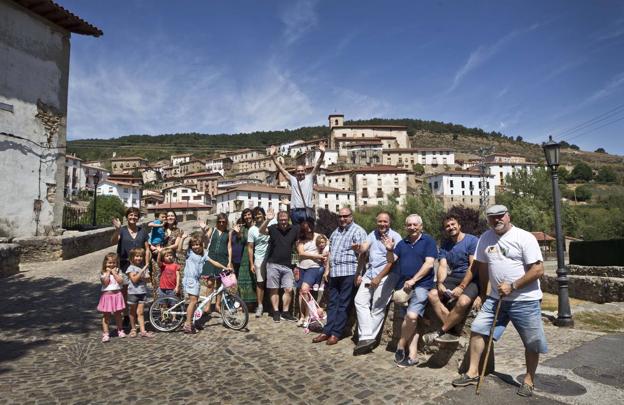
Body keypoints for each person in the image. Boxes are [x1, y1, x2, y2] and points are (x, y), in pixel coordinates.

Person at [451, 205, 547, 398]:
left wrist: (513, 285)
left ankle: (528, 380)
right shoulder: (485, 238)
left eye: (500, 216)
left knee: (532, 342)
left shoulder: (524, 237)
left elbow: (538, 270)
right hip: (496, 299)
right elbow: (483, 268)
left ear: (508, 216)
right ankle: (472, 372)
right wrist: (484, 294)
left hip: (525, 300)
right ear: (488, 220)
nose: (496, 220)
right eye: (492, 217)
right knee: (478, 329)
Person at [312, 207, 366, 346]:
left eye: (345, 216)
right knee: (332, 303)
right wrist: (327, 270)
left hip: (349, 272)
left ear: (351, 216)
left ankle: (336, 333)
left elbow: (362, 254)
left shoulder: (358, 231)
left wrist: (359, 274)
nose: (342, 219)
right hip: (335, 273)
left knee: (343, 304)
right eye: (340, 216)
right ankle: (326, 331)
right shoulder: (335, 233)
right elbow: (331, 253)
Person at [423, 215, 481, 344]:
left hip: (471, 278)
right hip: (454, 277)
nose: (450, 227)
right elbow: (443, 265)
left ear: (459, 225)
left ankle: (442, 331)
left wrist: (461, 287)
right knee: (432, 294)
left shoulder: (472, 241)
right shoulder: (445, 244)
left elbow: (473, 266)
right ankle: (452, 329)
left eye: (453, 224)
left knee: (463, 302)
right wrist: (440, 284)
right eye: (447, 226)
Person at [353, 211, 401, 356]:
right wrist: (359, 248)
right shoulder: (372, 234)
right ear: (376, 222)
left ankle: (365, 340)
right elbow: (364, 248)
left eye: (385, 221)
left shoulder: (395, 237)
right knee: (359, 301)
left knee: (378, 307)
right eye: (380, 221)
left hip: (386, 276)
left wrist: (379, 277)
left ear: (389, 222)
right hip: (370, 274)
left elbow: (392, 262)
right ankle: (367, 337)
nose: (382, 224)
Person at [392, 214, 438, 367]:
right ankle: (413, 356)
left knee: (411, 317)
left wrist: (414, 280)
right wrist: (388, 250)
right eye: (409, 225)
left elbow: (429, 264)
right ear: (405, 227)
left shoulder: (428, 241)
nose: (412, 227)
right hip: (403, 287)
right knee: (411, 321)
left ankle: (400, 344)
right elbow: (391, 260)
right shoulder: (402, 243)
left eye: (415, 225)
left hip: (421, 285)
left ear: (421, 226)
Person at [270, 140, 325, 225]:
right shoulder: (292, 179)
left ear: (305, 171)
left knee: (308, 234)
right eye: (298, 171)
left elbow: (318, 164)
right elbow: (280, 168)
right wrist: (273, 156)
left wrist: (322, 153)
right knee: (297, 233)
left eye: (302, 171)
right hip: (295, 211)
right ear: (295, 172)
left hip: (307, 210)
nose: (300, 172)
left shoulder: (309, 178)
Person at [259, 208, 300, 323]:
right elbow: (261, 231)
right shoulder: (272, 228)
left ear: (288, 220)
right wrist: (267, 220)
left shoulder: (294, 229)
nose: (283, 222)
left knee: (288, 289)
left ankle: (286, 312)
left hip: (288, 265)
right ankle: (276, 311)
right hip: (273, 264)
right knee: (274, 289)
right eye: (281, 220)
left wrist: (297, 263)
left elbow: (297, 245)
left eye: (285, 219)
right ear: (278, 220)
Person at [295, 221, 327, 326]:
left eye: (309, 229)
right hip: (301, 267)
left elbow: (327, 245)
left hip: (313, 267)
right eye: (306, 230)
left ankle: (308, 316)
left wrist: (323, 256)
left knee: (305, 289)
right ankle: (302, 316)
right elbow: (301, 253)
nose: (308, 232)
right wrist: (317, 256)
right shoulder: (301, 240)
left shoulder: (318, 236)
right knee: (301, 292)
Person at [199, 213, 232, 313]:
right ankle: (207, 305)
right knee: (210, 283)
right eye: (220, 221)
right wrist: (203, 230)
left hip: (223, 258)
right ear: (217, 221)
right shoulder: (212, 230)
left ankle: (218, 305)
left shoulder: (228, 232)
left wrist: (229, 262)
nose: (221, 223)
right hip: (211, 257)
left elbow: (229, 247)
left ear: (226, 222)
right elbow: (205, 240)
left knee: (220, 283)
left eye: (223, 221)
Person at [247, 207, 276, 317]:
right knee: (260, 283)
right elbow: (250, 247)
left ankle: (273, 307)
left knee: (273, 283)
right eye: (256, 215)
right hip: (259, 259)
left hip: (272, 257)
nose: (257, 216)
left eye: (259, 214)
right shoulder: (252, 230)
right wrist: (251, 263)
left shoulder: (272, 223)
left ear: (264, 215)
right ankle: (260, 306)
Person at [182, 232, 212, 334]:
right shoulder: (190, 253)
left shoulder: (203, 254)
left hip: (196, 280)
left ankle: (192, 321)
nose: (195, 247)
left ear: (201, 245)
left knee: (195, 302)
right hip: (190, 280)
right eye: (193, 245)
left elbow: (213, 261)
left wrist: (225, 267)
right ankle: (187, 324)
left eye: (198, 244)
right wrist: (183, 238)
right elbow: (180, 249)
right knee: (193, 301)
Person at [125, 248, 154, 338]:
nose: (139, 258)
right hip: (132, 293)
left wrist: (144, 274)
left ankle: (143, 331)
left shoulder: (143, 268)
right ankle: (133, 329)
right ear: (133, 257)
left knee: (140, 312)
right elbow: (134, 279)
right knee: (132, 312)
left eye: (141, 256)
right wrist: (143, 271)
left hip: (142, 292)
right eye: (137, 256)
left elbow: (148, 279)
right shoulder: (130, 268)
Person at [97, 252, 126, 342]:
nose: (111, 264)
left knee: (118, 314)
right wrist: (108, 273)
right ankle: (106, 333)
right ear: (105, 263)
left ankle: (120, 330)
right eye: (109, 262)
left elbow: (121, 281)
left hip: (117, 295)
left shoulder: (118, 271)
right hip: (107, 296)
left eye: (113, 263)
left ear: (116, 263)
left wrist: (115, 273)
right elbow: (105, 283)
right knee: (106, 316)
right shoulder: (103, 272)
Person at [233, 209, 256, 304]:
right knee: (243, 279)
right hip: (245, 255)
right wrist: (238, 233)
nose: (247, 217)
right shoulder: (243, 228)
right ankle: (244, 303)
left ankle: (255, 302)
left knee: (255, 279)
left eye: (249, 214)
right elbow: (241, 241)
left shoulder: (258, 226)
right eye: (245, 215)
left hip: (257, 254)